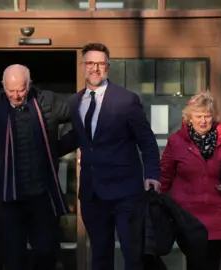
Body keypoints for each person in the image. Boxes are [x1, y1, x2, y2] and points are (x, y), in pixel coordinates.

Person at [59, 43, 161, 270]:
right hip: (92, 194)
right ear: (83, 66)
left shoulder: (126, 100)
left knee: (133, 257)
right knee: (100, 257)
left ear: (108, 67)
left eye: (100, 63)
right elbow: (80, 137)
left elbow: (147, 140)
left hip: (125, 192)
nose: (95, 68)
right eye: (90, 63)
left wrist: (152, 174)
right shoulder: (75, 102)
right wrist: (43, 149)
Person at [0, 64, 71, 270]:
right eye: (10, 90)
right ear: (3, 87)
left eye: (21, 90)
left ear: (30, 85)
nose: (16, 95)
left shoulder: (47, 102)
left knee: (46, 253)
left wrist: (58, 148)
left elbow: (80, 114)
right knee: (13, 257)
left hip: (41, 195)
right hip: (9, 198)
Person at [159, 91, 221, 270]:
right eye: (199, 116)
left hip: (216, 216)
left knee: (211, 265)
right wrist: (156, 202)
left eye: (208, 116)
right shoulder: (176, 142)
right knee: (197, 264)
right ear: (189, 117)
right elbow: (164, 176)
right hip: (187, 217)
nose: (203, 121)